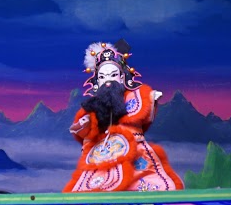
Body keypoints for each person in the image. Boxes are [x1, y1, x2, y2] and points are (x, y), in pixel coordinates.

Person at [63, 39, 184, 193]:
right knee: (93, 185)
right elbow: (84, 130)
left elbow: (144, 109)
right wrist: (86, 123)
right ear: (97, 81)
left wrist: (151, 97)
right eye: (103, 77)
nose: (108, 81)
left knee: (147, 181)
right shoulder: (93, 106)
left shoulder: (135, 97)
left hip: (134, 151)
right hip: (102, 153)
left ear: (122, 77)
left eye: (113, 75)